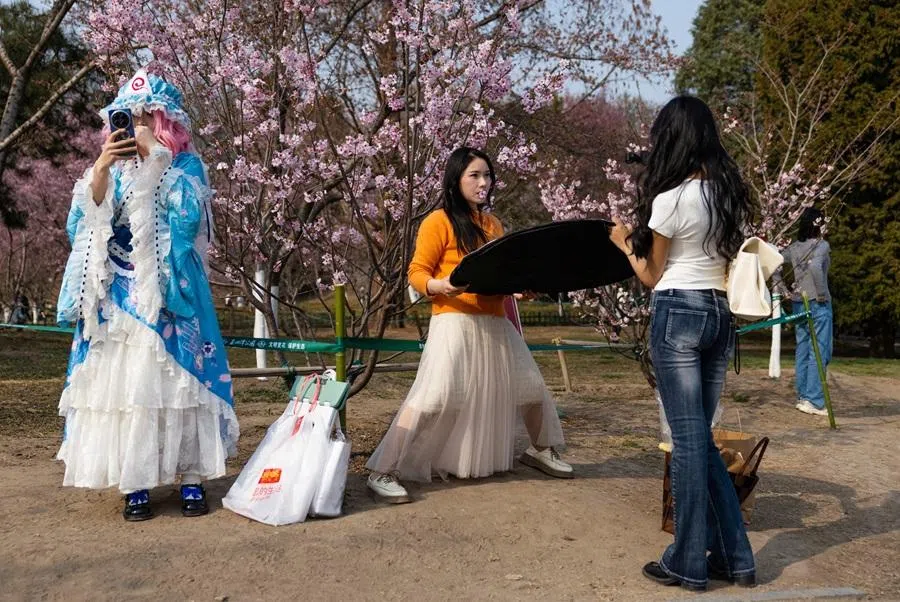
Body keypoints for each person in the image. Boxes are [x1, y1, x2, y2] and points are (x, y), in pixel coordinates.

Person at [55, 70, 238, 521]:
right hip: (118, 297)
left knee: (181, 385)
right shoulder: (109, 168)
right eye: (126, 116)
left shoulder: (186, 166)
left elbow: (189, 219)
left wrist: (155, 159)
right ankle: (135, 481)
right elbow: (80, 227)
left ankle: (192, 478)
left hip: (171, 294)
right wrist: (101, 168)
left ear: (163, 121)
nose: (133, 125)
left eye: (144, 116)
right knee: (129, 389)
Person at [365, 147, 572, 503]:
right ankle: (382, 470)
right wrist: (439, 286)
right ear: (456, 180)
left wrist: (519, 290)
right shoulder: (438, 221)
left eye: (487, 175)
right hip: (454, 322)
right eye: (474, 175)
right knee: (434, 397)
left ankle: (541, 449)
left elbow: (500, 275)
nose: (483, 182)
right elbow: (417, 273)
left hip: (495, 323)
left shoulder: (493, 225)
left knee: (532, 387)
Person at [610, 96, 757, 592]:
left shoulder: (670, 199)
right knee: (701, 443)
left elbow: (652, 275)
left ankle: (688, 560)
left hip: (679, 312)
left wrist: (620, 242)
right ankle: (735, 557)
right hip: (719, 314)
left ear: (669, 140)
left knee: (689, 442)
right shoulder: (726, 192)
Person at [775, 207, 832, 416]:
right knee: (820, 350)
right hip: (817, 303)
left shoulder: (795, 247)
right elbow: (816, 267)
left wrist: (782, 289)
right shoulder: (821, 245)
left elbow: (775, 264)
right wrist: (822, 293)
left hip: (799, 302)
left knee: (804, 349)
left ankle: (803, 396)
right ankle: (815, 400)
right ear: (818, 225)